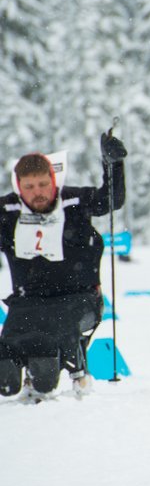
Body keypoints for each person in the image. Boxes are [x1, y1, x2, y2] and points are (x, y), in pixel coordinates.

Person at [0, 133, 127, 399]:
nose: (38, 193)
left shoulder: (74, 201)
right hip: (27, 302)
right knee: (5, 375)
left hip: (79, 299)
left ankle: (57, 376)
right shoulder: (8, 211)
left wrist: (113, 164)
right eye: (30, 186)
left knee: (48, 352)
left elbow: (111, 200)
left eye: (43, 184)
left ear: (53, 181)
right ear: (19, 186)